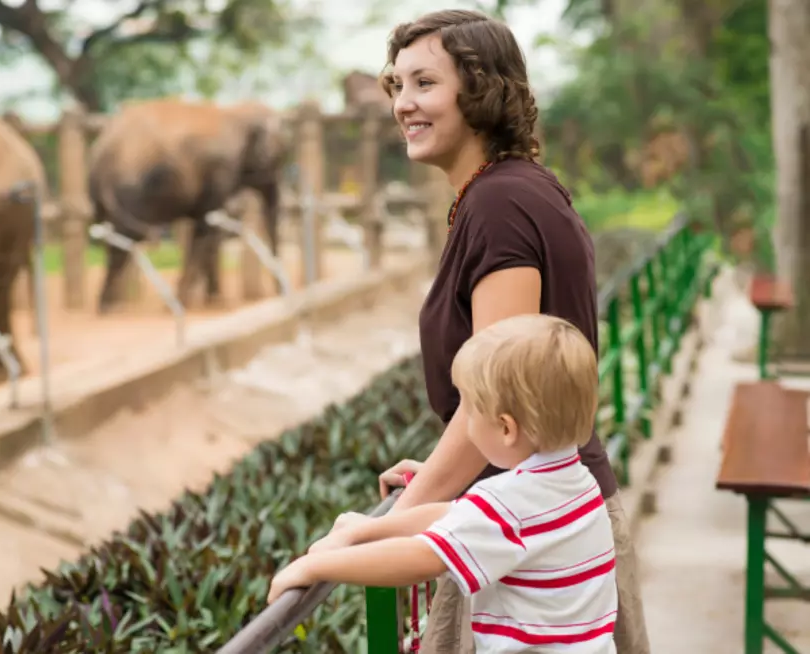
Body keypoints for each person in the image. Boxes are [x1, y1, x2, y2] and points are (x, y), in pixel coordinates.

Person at [336, 9, 649, 653]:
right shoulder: (516, 191)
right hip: (543, 516)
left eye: (425, 83)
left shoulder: (499, 205)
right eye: (397, 85)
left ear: (479, 90)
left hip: (529, 545)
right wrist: (447, 482)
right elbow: (511, 413)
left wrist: (403, 519)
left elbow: (498, 394)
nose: (404, 104)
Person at [268, 314, 619, 653]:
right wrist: (368, 530)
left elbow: (423, 557)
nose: (463, 422)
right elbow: (456, 514)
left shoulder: (509, 502)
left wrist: (313, 567)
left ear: (506, 428)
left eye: (469, 407)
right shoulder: (575, 482)